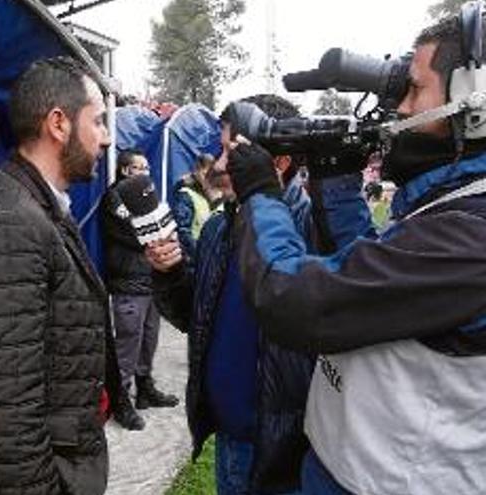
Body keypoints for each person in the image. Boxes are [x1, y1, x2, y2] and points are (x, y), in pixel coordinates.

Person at [222, 9, 486, 495]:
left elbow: (297, 299)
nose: (402, 111)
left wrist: (262, 196)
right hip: (367, 467)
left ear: (476, 104)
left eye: (415, 90)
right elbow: (372, 272)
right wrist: (335, 180)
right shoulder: (485, 200)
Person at [147, 94, 365, 494]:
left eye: (233, 153)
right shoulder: (219, 229)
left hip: (288, 455)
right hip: (230, 443)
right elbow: (196, 316)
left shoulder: (319, 235)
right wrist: (170, 273)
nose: (219, 165)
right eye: (220, 149)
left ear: (278, 163)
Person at [0, 57, 117, 495]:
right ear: (58, 124)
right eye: (97, 121)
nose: (106, 137)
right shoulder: (9, 225)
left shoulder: (36, 207)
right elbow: (8, 407)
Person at [100, 149, 179, 432]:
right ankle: (120, 400)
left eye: (147, 167)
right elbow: (143, 234)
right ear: (124, 170)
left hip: (151, 280)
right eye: (138, 168)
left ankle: (145, 388)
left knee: (149, 338)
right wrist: (157, 234)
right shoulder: (115, 197)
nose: (144, 173)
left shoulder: (147, 197)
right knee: (128, 343)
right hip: (128, 281)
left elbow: (164, 228)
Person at [170, 153, 222, 262]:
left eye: (212, 174)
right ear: (196, 172)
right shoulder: (186, 195)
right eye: (204, 174)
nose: (208, 178)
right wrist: (201, 255)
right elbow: (182, 231)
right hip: (195, 262)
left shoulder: (222, 195)